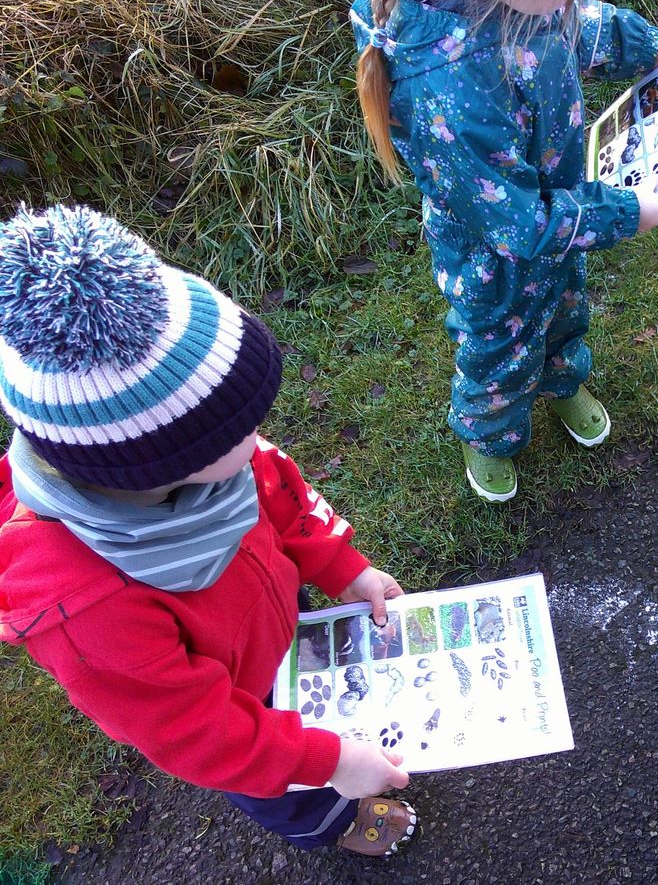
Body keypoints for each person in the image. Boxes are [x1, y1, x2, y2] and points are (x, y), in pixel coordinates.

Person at [0, 205, 416, 856]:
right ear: (155, 467)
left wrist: (341, 569)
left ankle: (337, 761)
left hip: (279, 625)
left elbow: (282, 491)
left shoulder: (209, 461)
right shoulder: (88, 610)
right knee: (287, 784)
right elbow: (197, 732)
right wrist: (328, 763)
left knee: (326, 720)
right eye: (236, 433)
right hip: (227, 703)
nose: (258, 441)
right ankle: (334, 825)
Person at [351, 0, 658, 501]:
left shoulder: (524, 2)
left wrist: (645, 44)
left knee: (565, 307)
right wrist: (622, 214)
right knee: (498, 346)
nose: (570, 2)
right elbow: (516, 222)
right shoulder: (448, 86)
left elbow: (573, 22)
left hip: (553, 217)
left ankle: (561, 378)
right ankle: (489, 433)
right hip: (492, 259)